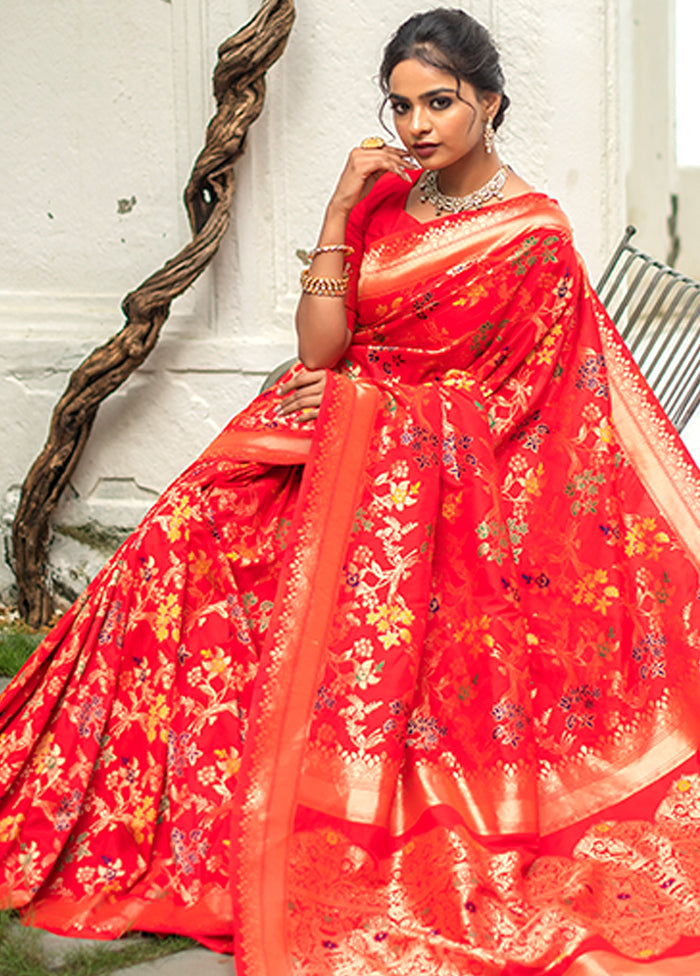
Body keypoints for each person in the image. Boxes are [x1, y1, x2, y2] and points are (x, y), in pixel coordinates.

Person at [2, 7, 700, 974]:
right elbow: (319, 351)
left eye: (441, 103)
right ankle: (139, 784)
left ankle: (273, 801)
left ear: (490, 102)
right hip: (336, 438)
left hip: (424, 483)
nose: (417, 126)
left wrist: (365, 411)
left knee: (235, 552)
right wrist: (337, 210)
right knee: (183, 531)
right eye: (403, 105)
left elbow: (510, 405)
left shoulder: (534, 234)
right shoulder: (381, 201)